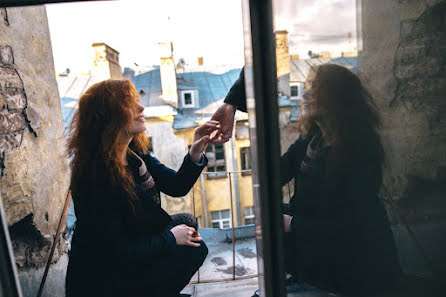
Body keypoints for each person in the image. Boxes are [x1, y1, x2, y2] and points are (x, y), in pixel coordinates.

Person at [211, 64, 401, 296]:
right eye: (307, 86)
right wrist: (232, 105)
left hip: (357, 271)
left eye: (316, 87)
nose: (306, 94)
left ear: (337, 98)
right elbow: (275, 175)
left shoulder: (359, 150)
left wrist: (292, 224)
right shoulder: (314, 139)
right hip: (323, 258)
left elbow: (351, 227)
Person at [66, 79, 218, 297]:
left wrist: (195, 152)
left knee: (188, 226)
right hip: (107, 278)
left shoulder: (135, 155)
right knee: (193, 249)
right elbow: (118, 252)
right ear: (108, 116)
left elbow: (176, 186)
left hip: (131, 243)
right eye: (130, 103)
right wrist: (171, 238)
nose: (142, 107)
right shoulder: (95, 176)